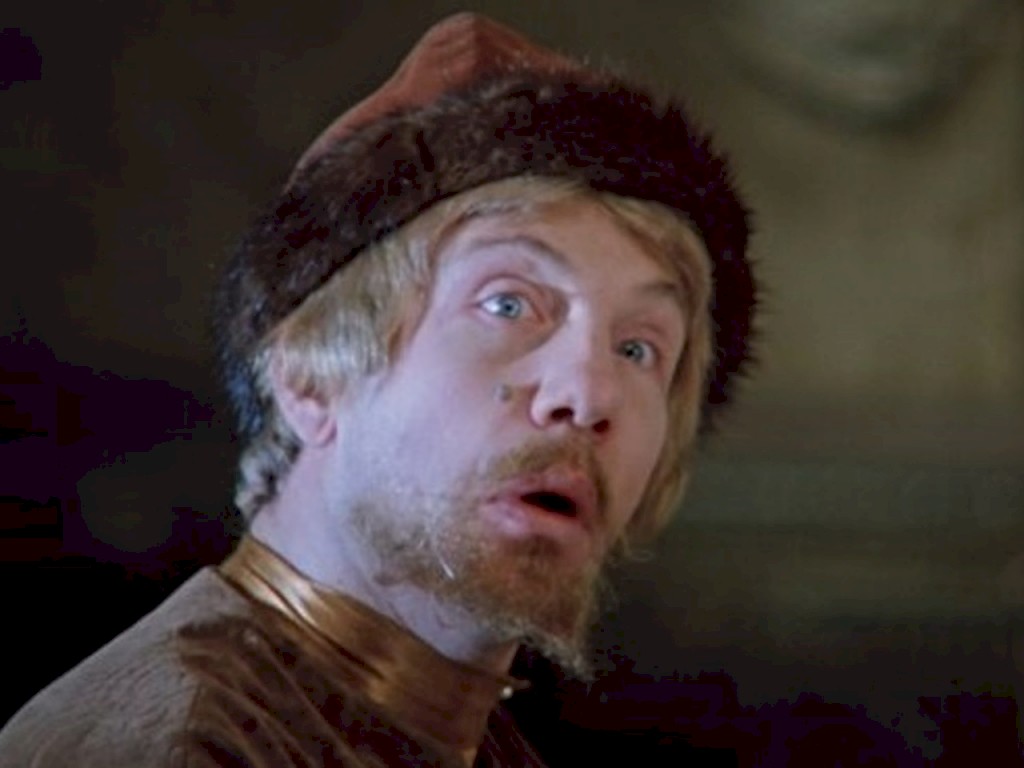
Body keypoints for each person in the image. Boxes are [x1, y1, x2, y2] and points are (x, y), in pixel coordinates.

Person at [0, 12, 754, 767]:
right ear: (310, 378)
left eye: (638, 348)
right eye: (507, 304)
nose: (588, 394)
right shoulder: (177, 748)